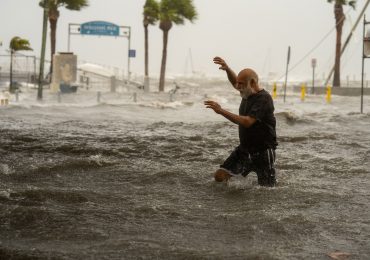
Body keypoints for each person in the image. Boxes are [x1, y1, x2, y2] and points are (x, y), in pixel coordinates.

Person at [204, 56, 278, 187]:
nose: (237, 87)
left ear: (253, 83)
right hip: (244, 150)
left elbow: (248, 122)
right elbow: (235, 82)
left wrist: (221, 111)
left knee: (267, 190)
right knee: (220, 176)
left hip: (263, 151)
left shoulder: (264, 99)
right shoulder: (246, 93)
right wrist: (227, 69)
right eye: (238, 83)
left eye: (241, 84)